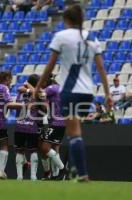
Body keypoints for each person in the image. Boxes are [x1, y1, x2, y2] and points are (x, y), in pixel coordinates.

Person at [34, 5, 113, 182]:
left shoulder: (61, 37)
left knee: (74, 134)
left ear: (66, 20)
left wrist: (38, 87)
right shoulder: (92, 37)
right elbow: (100, 68)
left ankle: (82, 173)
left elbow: (50, 66)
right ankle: (76, 171)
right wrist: (107, 94)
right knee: (76, 132)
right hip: (87, 93)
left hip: (70, 91)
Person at [14, 74, 42, 181]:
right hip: (31, 125)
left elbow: (16, 105)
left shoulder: (20, 92)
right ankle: (33, 176)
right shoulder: (36, 93)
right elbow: (40, 96)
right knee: (33, 151)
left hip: (19, 125)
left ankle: (19, 176)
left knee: (20, 151)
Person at [38, 77, 66, 180]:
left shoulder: (52, 88)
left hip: (57, 122)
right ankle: (56, 175)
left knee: (45, 147)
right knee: (54, 148)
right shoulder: (59, 89)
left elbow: (40, 94)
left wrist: (29, 88)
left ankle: (62, 169)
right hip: (59, 122)